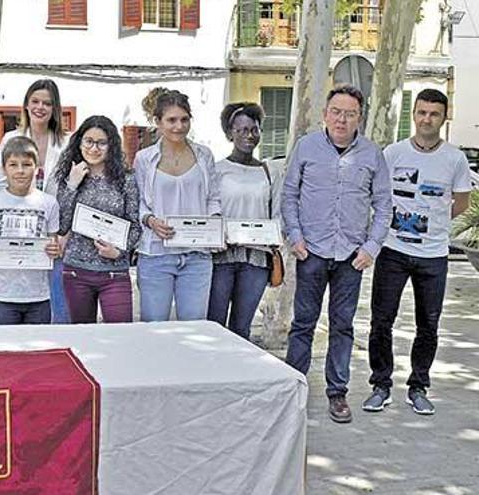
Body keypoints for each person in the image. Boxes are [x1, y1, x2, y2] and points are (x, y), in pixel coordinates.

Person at [282, 85, 392, 424]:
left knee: (342, 326)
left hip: (351, 256)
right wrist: (295, 237)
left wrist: (371, 247)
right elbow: (288, 195)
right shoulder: (306, 147)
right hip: (311, 251)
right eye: (336, 112)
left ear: (360, 117)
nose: (342, 119)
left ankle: (337, 392)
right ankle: (293, 389)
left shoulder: (373, 154)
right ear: (325, 114)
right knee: (303, 323)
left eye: (350, 113)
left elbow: (384, 205)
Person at [362, 89, 472, 416]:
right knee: (381, 321)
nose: (427, 119)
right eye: (422, 112)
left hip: (434, 255)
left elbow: (462, 203)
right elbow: (378, 197)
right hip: (392, 251)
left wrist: (435, 223)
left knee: (429, 324)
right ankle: (380, 385)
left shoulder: (455, 158)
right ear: (414, 114)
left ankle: (418, 386)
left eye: (434, 114)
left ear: (444, 116)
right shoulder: (393, 154)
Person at [134, 89, 220, 322]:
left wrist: (214, 226)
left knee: (194, 330)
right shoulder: (144, 158)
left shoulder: (204, 155)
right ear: (157, 122)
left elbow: (213, 198)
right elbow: (139, 202)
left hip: (197, 256)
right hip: (156, 254)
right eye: (171, 120)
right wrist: (150, 221)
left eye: (184, 119)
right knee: (154, 328)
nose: (178, 126)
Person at [0, 79, 70, 323]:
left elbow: (69, 190)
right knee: (17, 297)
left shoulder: (66, 143)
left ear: (55, 108)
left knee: (56, 301)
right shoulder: (10, 138)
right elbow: (0, 181)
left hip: (52, 232)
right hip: (17, 227)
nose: (40, 107)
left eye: (47, 103)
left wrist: (62, 233)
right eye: (35, 101)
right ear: (26, 105)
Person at [208, 102, 284, 339]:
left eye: (254, 129)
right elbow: (210, 209)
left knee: (241, 329)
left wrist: (274, 237)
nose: (249, 135)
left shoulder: (270, 172)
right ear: (230, 133)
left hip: (256, 260)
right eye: (242, 130)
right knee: (214, 325)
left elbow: (278, 215)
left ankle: (238, 373)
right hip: (221, 258)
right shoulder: (216, 170)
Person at [55, 116, 140, 324]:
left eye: (101, 142)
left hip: (114, 271)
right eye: (89, 141)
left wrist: (120, 251)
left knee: (120, 334)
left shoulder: (126, 179)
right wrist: (72, 185)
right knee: (83, 336)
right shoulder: (70, 176)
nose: (94, 148)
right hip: (76, 271)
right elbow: (62, 225)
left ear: (111, 145)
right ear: (79, 142)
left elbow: (135, 225)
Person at [0, 136, 62, 324]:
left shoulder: (49, 202)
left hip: (38, 295)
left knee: (37, 351)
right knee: (4, 349)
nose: (20, 171)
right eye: (13, 165)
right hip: (2, 294)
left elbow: (54, 245)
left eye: (26, 164)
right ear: (3, 168)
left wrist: (54, 250)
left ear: (37, 168)